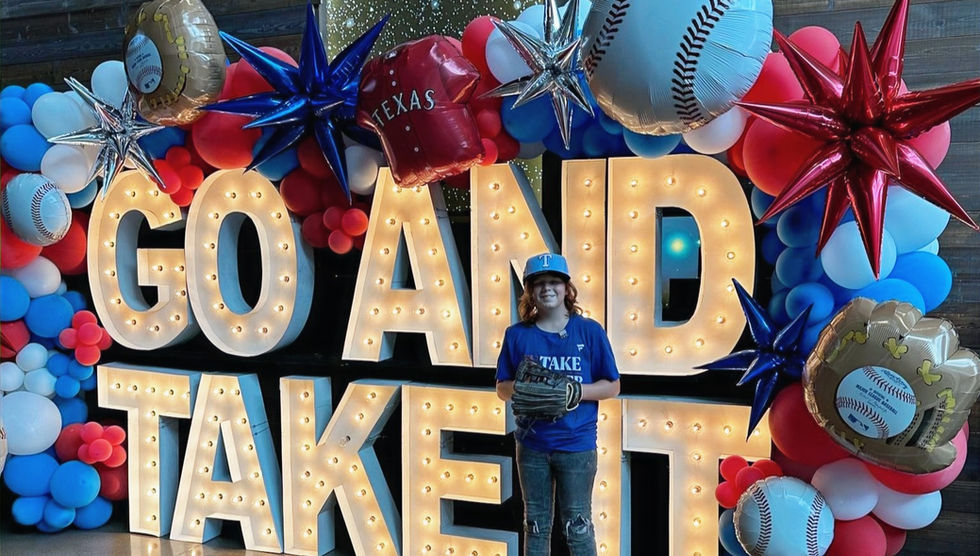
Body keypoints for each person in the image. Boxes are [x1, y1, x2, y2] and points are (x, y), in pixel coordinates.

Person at [495, 252, 620, 556]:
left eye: (554, 281)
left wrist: (575, 391)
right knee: (535, 524)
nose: (547, 288)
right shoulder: (517, 335)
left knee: (578, 526)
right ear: (530, 290)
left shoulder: (589, 331)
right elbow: (502, 387)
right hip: (532, 444)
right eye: (539, 283)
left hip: (576, 445)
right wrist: (525, 390)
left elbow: (613, 386)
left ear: (567, 288)